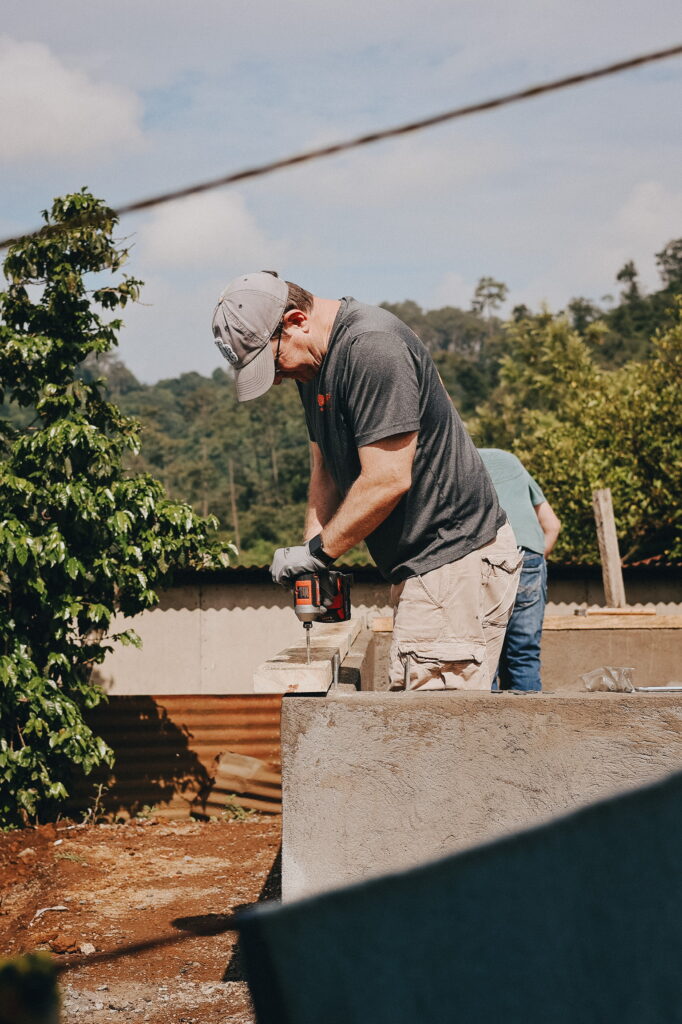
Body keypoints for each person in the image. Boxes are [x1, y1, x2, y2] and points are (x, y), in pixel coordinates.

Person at [211, 271, 522, 690]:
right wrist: (312, 559)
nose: (278, 378)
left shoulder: (372, 347)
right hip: (425, 565)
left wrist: (320, 553)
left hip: (451, 557)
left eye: (273, 363)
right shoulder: (313, 368)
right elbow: (324, 468)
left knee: (431, 724)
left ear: (296, 321)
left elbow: (387, 479)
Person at [478, 449, 561, 692]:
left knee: (485, 653)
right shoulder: (512, 462)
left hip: (484, 555)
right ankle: (529, 717)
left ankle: (485, 717)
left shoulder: (458, 460)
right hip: (528, 554)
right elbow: (552, 526)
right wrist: (533, 564)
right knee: (524, 653)